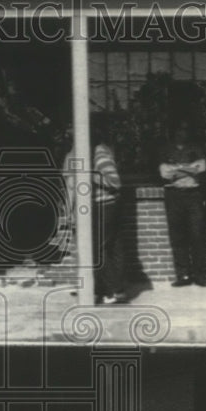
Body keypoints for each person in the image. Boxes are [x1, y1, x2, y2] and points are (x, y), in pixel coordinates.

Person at [64, 115, 127, 304]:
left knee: (96, 249)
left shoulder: (100, 153)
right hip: (106, 206)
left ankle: (111, 291)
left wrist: (87, 175)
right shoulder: (95, 151)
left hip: (104, 206)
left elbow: (114, 181)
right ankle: (117, 290)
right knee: (110, 248)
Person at [158, 122, 206, 287]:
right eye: (179, 130)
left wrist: (176, 170)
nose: (182, 133)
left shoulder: (196, 148)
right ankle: (183, 275)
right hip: (173, 196)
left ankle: (200, 275)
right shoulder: (165, 150)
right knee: (177, 236)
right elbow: (164, 173)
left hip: (194, 196)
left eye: (185, 130)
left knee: (197, 234)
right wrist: (189, 169)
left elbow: (202, 167)